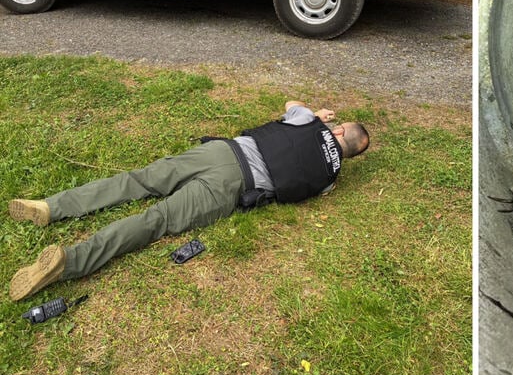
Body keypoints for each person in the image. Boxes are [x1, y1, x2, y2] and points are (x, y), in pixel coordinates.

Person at [8, 100, 369, 301]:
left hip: (220, 152)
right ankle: (70, 262)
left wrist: (318, 115)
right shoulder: (328, 181)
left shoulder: (307, 120)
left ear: (338, 128)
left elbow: (291, 104)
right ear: (348, 155)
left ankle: (51, 207)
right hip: (231, 189)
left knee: (136, 181)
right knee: (155, 220)